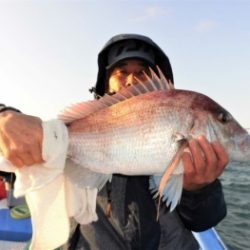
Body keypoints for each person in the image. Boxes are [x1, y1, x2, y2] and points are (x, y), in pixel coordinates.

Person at [0, 34, 228, 250]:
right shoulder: (71, 131)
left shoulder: (195, 142)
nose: (131, 79)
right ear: (106, 84)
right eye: (121, 72)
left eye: (142, 72)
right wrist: (4, 116)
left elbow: (203, 221)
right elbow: (37, 140)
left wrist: (198, 189)